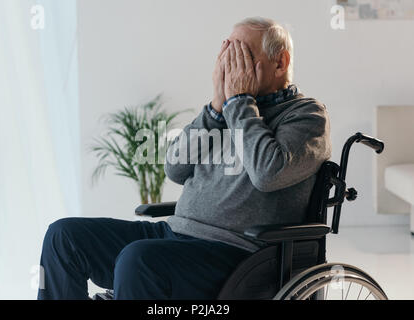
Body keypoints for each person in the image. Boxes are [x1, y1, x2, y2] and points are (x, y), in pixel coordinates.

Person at [37, 17, 332, 300]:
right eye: (227, 55)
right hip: (174, 234)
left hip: (237, 256)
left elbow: (267, 174)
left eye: (241, 56)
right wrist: (216, 108)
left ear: (280, 62)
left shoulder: (307, 116)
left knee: (138, 259)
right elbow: (175, 168)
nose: (230, 67)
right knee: (64, 236)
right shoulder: (227, 111)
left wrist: (239, 103)